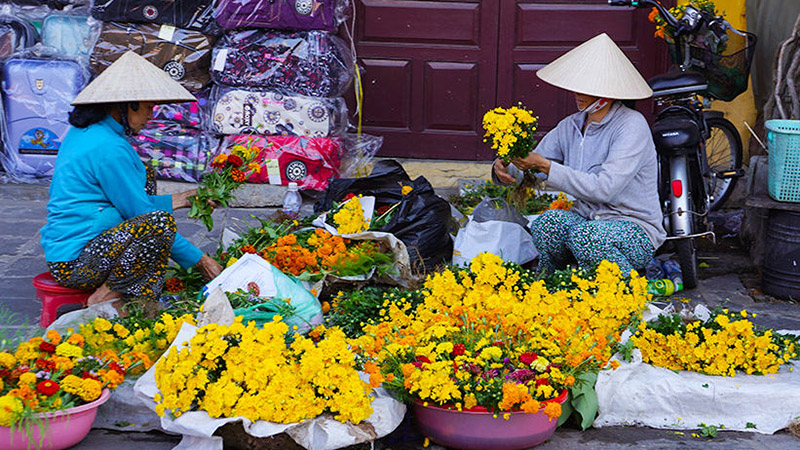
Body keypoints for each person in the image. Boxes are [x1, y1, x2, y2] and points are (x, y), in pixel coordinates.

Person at [40, 51, 222, 310]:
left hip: (81, 245)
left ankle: (116, 288)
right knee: (157, 224)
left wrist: (178, 199)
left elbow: (125, 201)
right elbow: (143, 216)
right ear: (126, 105)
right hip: (76, 263)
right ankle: (109, 296)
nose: (151, 116)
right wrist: (200, 260)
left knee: (145, 175)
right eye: (148, 108)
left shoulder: (90, 133)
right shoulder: (109, 148)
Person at [493, 33, 666, 275]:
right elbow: (533, 167)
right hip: (586, 221)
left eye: (589, 87)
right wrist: (506, 168)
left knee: (588, 237)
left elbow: (604, 188)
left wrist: (546, 167)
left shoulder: (631, 126)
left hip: (634, 228)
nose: (578, 92)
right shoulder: (570, 126)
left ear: (609, 92)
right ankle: (551, 288)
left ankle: (625, 292)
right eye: (578, 85)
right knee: (547, 224)